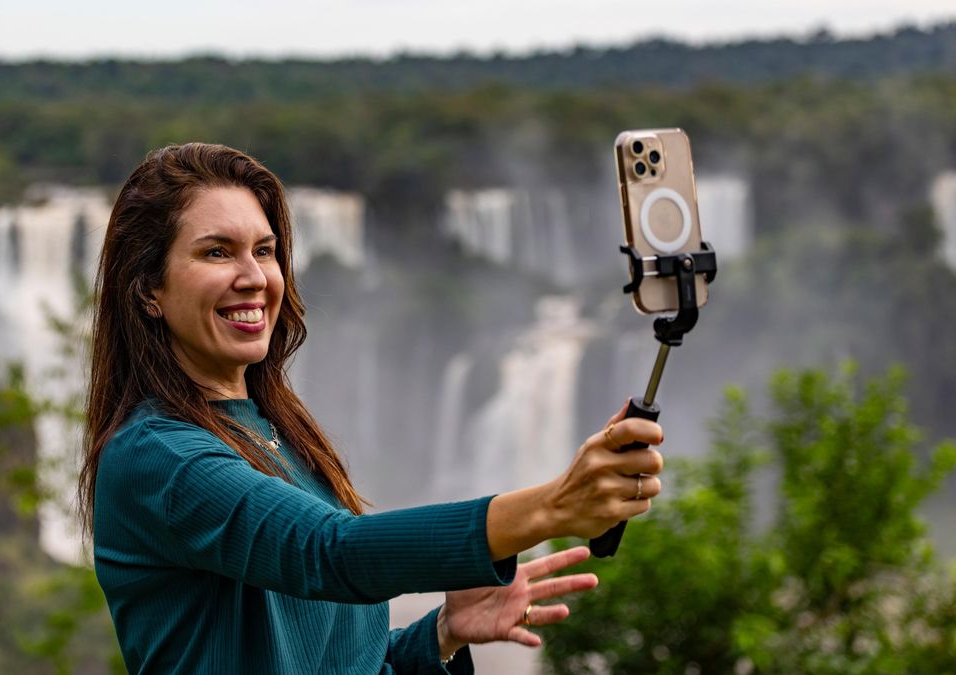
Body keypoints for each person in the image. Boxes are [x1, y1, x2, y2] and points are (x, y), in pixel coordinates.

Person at [79, 143, 664, 674]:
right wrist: (553, 506)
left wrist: (440, 633)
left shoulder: (274, 427)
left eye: (265, 250)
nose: (254, 278)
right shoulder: (158, 456)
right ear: (147, 290)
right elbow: (331, 553)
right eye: (216, 253)